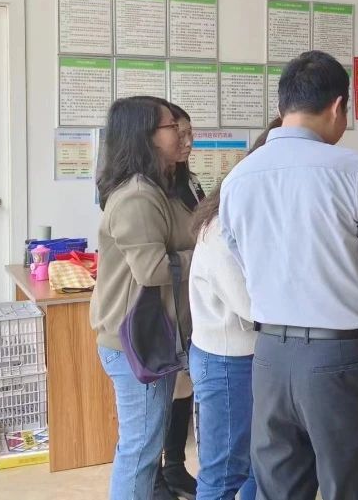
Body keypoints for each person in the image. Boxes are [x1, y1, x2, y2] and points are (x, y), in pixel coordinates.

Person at [218, 51, 358, 500]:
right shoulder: (353, 169)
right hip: (338, 358)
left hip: (269, 357)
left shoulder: (238, 177)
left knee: (279, 490)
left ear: (282, 105)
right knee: (353, 487)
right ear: (338, 106)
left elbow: (239, 258)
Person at [91, 96, 197, 500]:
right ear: (145, 136)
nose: (182, 135)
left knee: (143, 445)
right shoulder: (137, 196)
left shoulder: (165, 188)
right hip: (136, 341)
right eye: (172, 127)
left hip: (155, 335)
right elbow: (153, 269)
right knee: (140, 450)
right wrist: (207, 255)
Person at [185, 117, 280, 500]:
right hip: (228, 361)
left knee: (261, 462)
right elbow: (250, 307)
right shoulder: (221, 226)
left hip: (255, 355)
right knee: (224, 470)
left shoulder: (262, 215)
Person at [157, 104, 202, 500]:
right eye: (179, 133)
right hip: (159, 307)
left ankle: (174, 465)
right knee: (156, 392)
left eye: (190, 133)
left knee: (183, 385)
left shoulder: (191, 183)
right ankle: (154, 476)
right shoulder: (146, 189)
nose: (187, 142)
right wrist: (199, 254)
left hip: (190, 303)